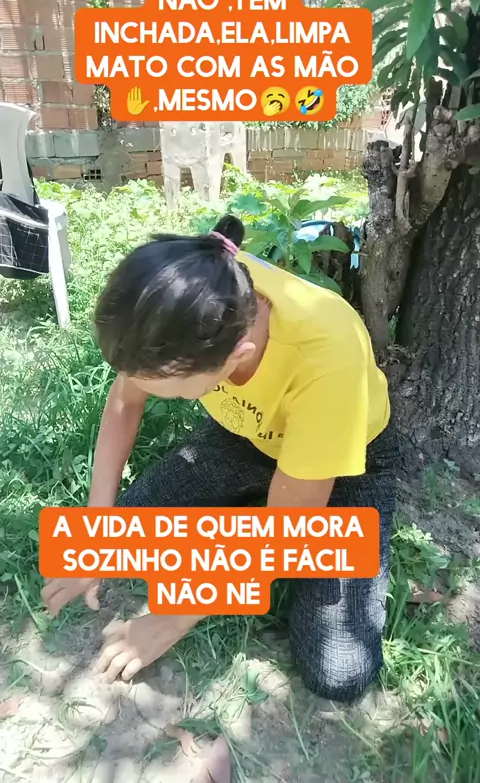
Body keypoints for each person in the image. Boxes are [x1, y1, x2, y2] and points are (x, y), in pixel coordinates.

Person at [42, 215, 398, 702]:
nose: (143, 389)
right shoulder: (194, 296)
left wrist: (170, 620)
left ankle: (287, 530)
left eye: (163, 387)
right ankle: (252, 520)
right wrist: (96, 533)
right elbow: (125, 400)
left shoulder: (327, 359)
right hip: (244, 435)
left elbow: (287, 530)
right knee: (126, 527)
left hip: (348, 462)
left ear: (236, 358)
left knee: (338, 670)